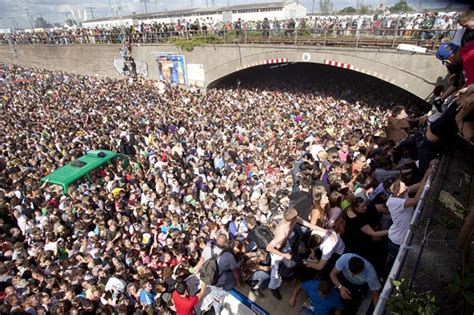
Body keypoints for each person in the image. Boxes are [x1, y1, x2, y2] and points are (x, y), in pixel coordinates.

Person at [384, 159, 438, 270]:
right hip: (397, 241)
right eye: (396, 187)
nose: (401, 187)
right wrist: (426, 177)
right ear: (392, 192)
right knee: (394, 264)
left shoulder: (401, 191)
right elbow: (415, 200)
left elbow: (418, 185)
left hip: (398, 236)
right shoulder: (392, 202)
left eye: (400, 183)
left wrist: (427, 173)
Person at [266, 207, 327, 300]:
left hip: (286, 246)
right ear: (291, 219)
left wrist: (324, 231)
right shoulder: (282, 233)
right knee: (275, 272)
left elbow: (310, 225)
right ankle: (273, 287)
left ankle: (289, 274)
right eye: (296, 216)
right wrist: (284, 255)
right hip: (277, 251)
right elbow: (269, 248)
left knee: (293, 261)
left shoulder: (295, 219)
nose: (298, 217)